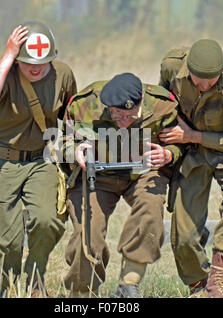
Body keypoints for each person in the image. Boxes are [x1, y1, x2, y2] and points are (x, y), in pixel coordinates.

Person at [159, 39, 223, 297]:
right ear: (188, 69)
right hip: (194, 150)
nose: (204, 86)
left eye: (211, 81)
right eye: (198, 80)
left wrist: (192, 135)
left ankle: (219, 277)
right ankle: (199, 285)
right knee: (183, 227)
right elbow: (164, 102)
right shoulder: (172, 67)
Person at [0, 20, 77, 297]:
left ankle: (35, 277)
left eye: (43, 62)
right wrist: (9, 54)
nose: (36, 68)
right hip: (1, 160)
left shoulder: (63, 74)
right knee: (2, 241)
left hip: (41, 158)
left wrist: (75, 146)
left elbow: (70, 115)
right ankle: (7, 290)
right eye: (28, 62)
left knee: (49, 220)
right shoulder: (6, 73)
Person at [63, 73, 181, 298]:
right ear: (107, 107)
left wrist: (168, 154)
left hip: (141, 173)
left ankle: (129, 283)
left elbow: (181, 143)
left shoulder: (162, 106)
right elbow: (62, 138)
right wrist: (74, 150)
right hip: (97, 175)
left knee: (150, 209)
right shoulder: (84, 105)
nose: (125, 122)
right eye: (118, 115)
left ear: (142, 103)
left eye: (131, 115)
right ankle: (82, 292)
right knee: (88, 231)